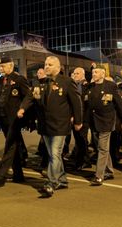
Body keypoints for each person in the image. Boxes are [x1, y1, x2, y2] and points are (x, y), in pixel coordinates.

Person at [18, 56, 83, 197]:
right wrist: (22, 108)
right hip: (45, 125)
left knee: (54, 154)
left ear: (58, 68)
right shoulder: (39, 82)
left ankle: (50, 182)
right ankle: (62, 180)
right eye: (45, 64)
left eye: (50, 64)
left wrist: (78, 121)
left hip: (60, 125)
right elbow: (30, 97)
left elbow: (76, 103)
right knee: (54, 155)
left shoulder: (67, 82)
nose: (46, 66)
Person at [0, 54, 31, 187]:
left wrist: (22, 109)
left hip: (14, 119)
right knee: (14, 145)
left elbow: (28, 96)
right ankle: (18, 175)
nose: (0, 68)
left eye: (3, 66)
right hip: (2, 119)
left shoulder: (19, 79)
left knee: (10, 144)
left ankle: (1, 174)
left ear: (11, 66)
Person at [85, 64, 122, 186]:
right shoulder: (90, 87)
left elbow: (119, 104)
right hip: (94, 122)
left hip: (106, 122)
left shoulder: (111, 86)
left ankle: (99, 176)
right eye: (93, 72)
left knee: (103, 148)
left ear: (103, 74)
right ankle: (109, 171)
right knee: (101, 148)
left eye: (96, 72)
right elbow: (87, 105)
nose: (94, 74)